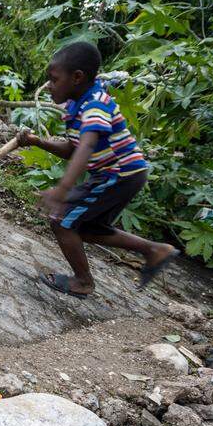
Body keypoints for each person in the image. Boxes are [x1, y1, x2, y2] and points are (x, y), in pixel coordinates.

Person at [17, 41, 177, 298]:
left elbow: (87, 145)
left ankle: (83, 282)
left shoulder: (95, 105)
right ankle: (155, 250)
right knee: (86, 229)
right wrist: (37, 141)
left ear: (77, 77)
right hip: (119, 175)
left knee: (62, 222)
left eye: (54, 79)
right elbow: (73, 148)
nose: (49, 85)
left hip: (119, 174)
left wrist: (63, 188)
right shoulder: (77, 105)